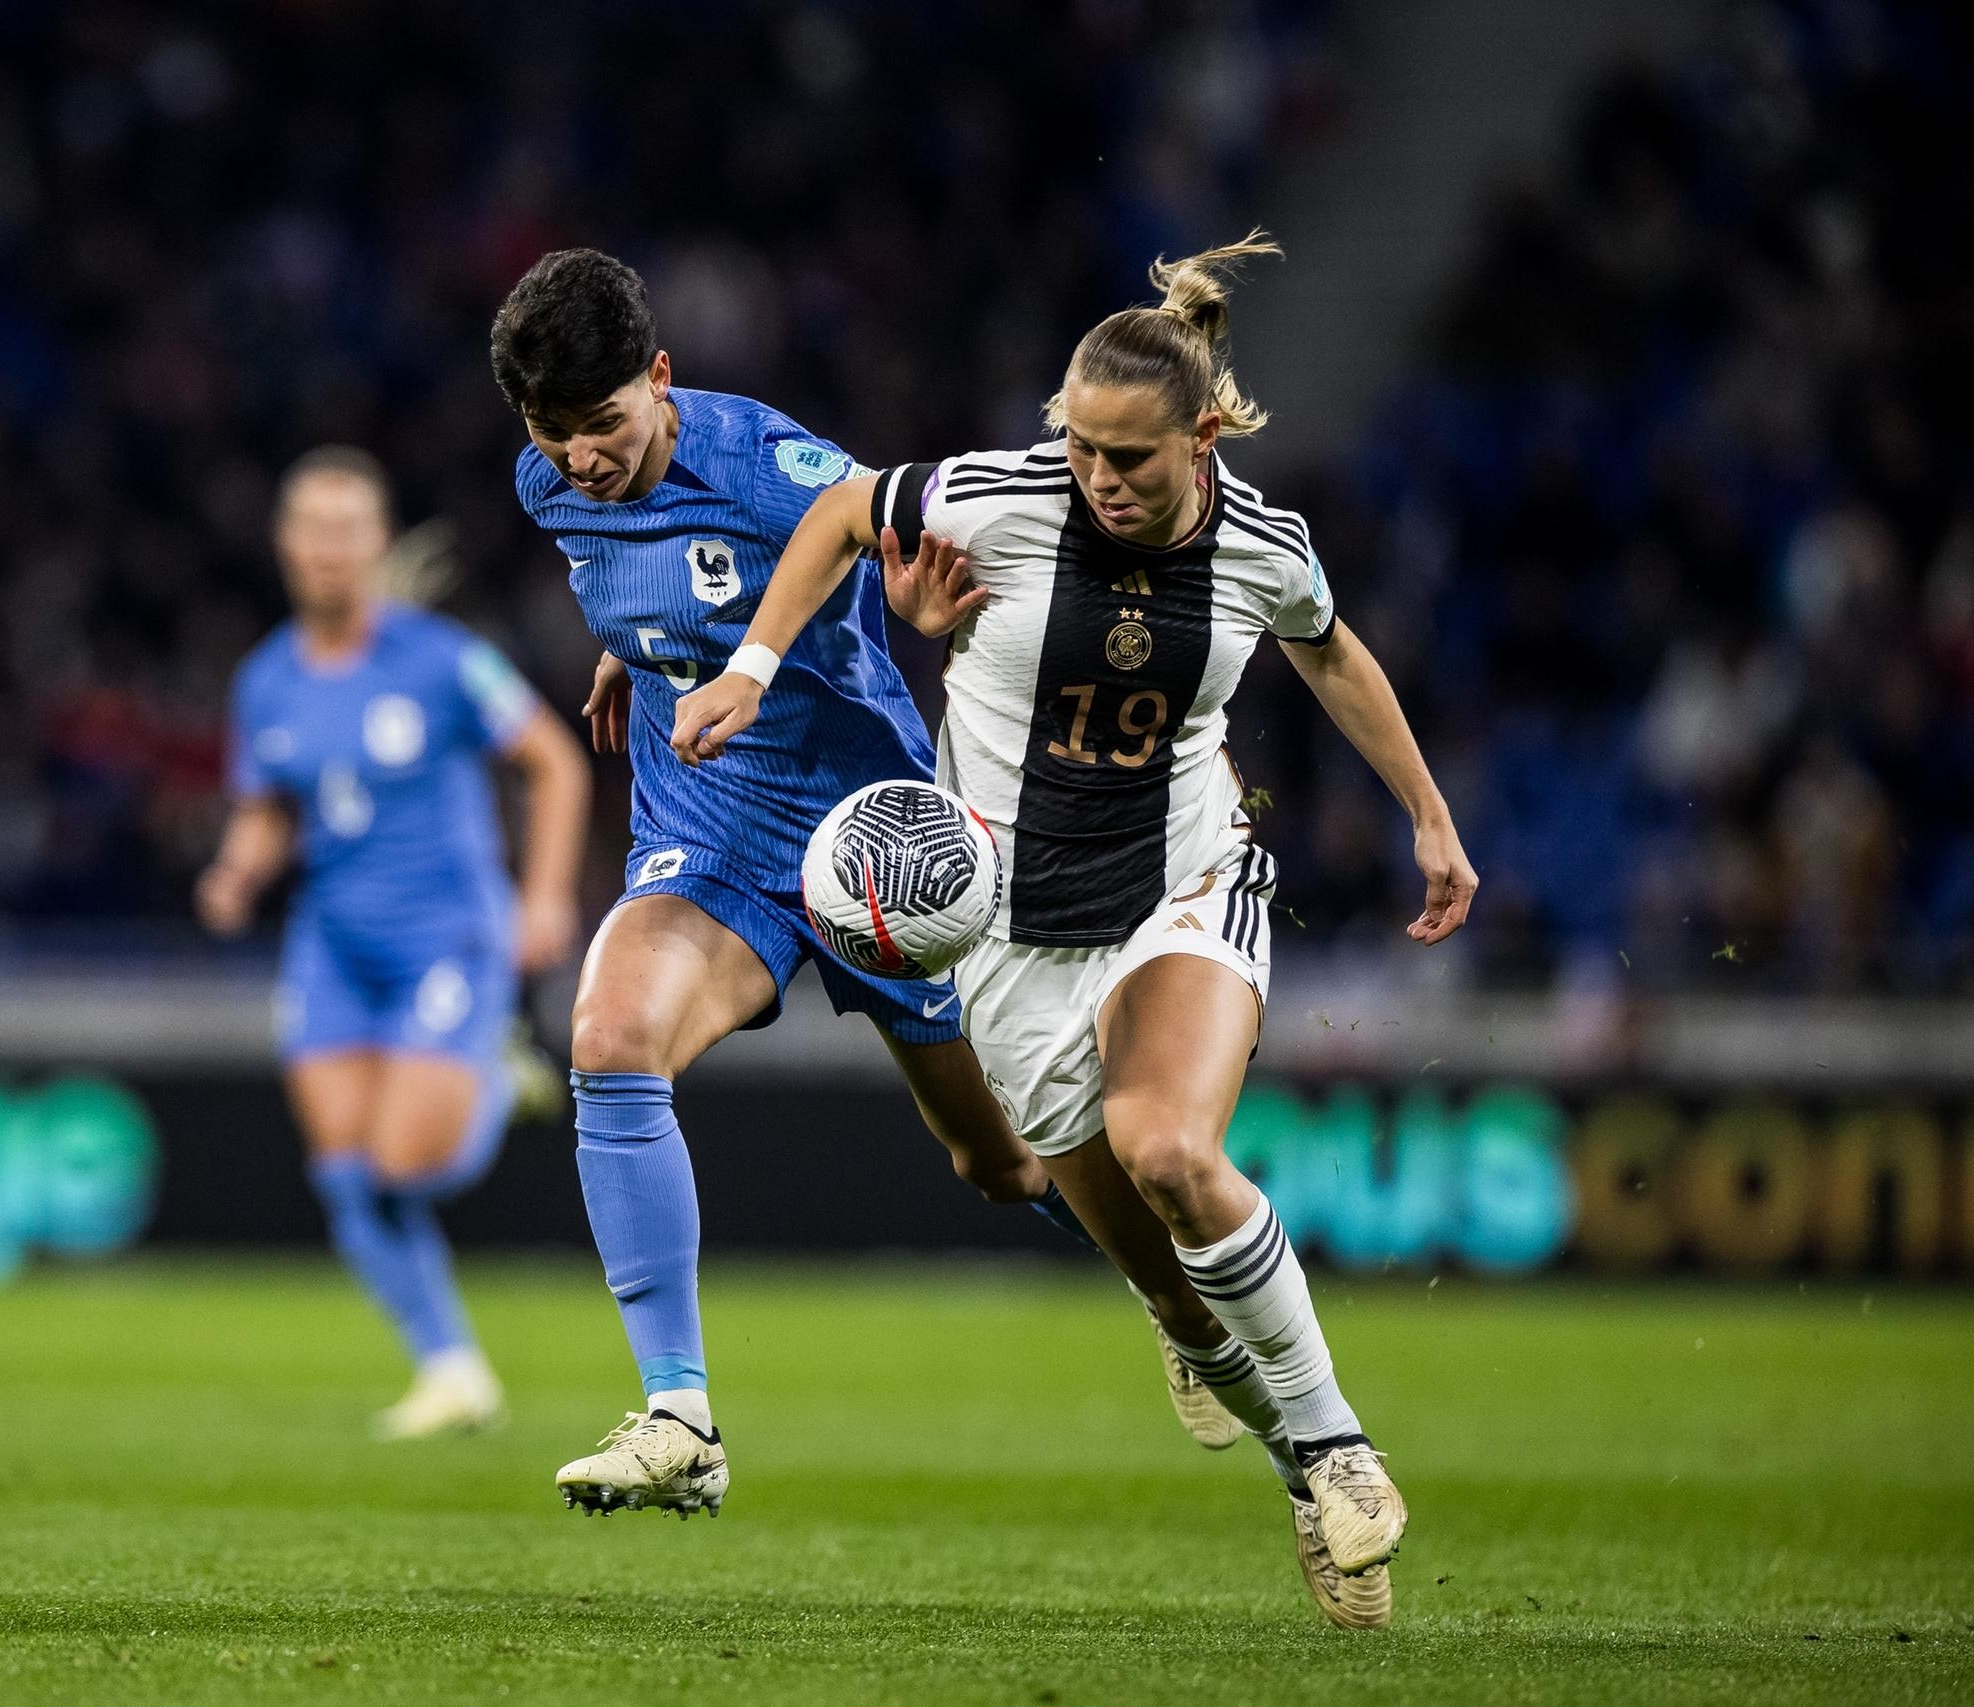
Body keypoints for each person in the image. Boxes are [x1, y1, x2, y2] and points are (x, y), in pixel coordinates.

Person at [670, 234, 1478, 1630]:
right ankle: (1286, 1453)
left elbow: (1330, 648)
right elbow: (846, 511)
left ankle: (1339, 1443)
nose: (1098, 476)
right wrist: (752, 663)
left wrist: (1428, 812)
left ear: (1202, 437)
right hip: (1006, 928)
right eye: (1083, 447)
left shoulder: (1263, 544)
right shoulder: (995, 497)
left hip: (1182, 880)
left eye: (1130, 457)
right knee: (1173, 1285)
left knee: (1169, 1147)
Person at [491, 248, 1255, 1524]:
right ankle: (679, 1415)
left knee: (1001, 1162)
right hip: (712, 836)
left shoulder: (765, 463)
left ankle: (1183, 1307)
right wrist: (639, 650)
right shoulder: (550, 486)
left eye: (602, 422)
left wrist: (916, 612)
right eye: (550, 431)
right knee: (611, 1036)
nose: (578, 456)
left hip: (878, 844)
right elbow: (639, 572)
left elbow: (921, 535)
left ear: (661, 378)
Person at [198, 447, 592, 1440]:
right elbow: (270, 807)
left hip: (445, 937)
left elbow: (555, 763)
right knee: (345, 1173)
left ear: (379, 542)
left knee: (406, 1163)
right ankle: (451, 1369)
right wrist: (238, 871)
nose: (329, 549)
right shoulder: (266, 680)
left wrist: (544, 898)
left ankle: (495, 1071)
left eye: (348, 530)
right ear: (285, 544)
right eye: (313, 529)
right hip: (331, 945)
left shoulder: (444, 659)